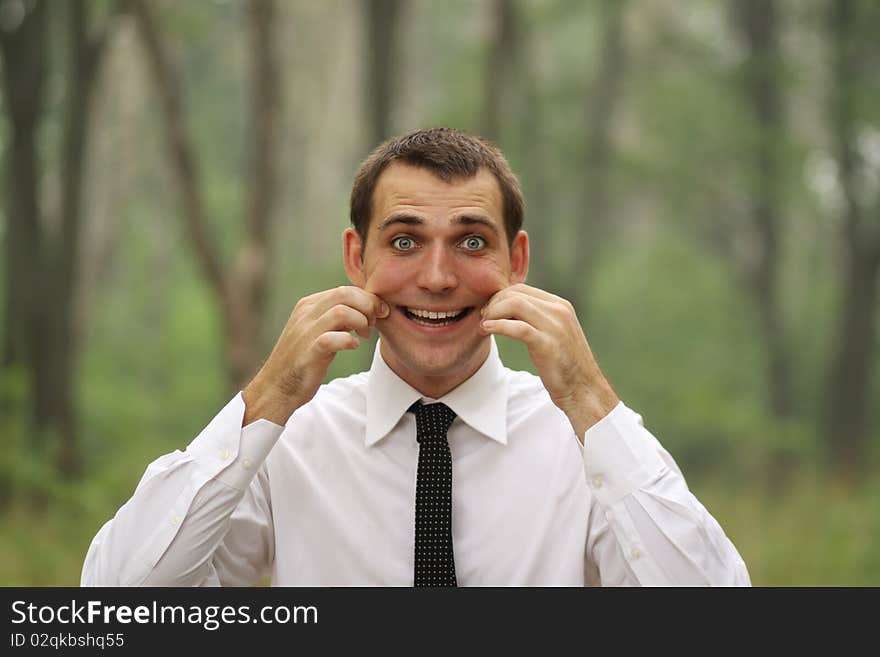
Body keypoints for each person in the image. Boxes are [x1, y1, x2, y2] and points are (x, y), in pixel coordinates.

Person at [81, 127, 750, 586]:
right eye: (404, 241)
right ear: (356, 257)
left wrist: (593, 403)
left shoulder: (586, 447)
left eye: (471, 242)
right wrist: (266, 399)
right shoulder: (287, 441)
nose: (435, 276)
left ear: (516, 261)